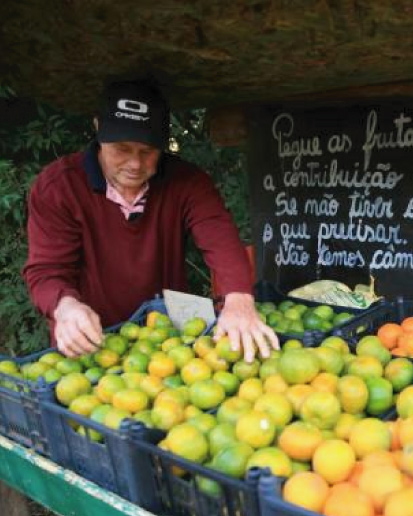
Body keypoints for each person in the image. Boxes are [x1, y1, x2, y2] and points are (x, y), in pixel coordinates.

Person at [23, 80, 278, 362]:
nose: (134, 163)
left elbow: (220, 238)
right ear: (98, 129)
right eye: (122, 148)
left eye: (147, 152)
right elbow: (47, 270)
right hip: (89, 345)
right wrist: (65, 307)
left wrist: (239, 298)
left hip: (168, 343)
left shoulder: (187, 182)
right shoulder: (59, 187)